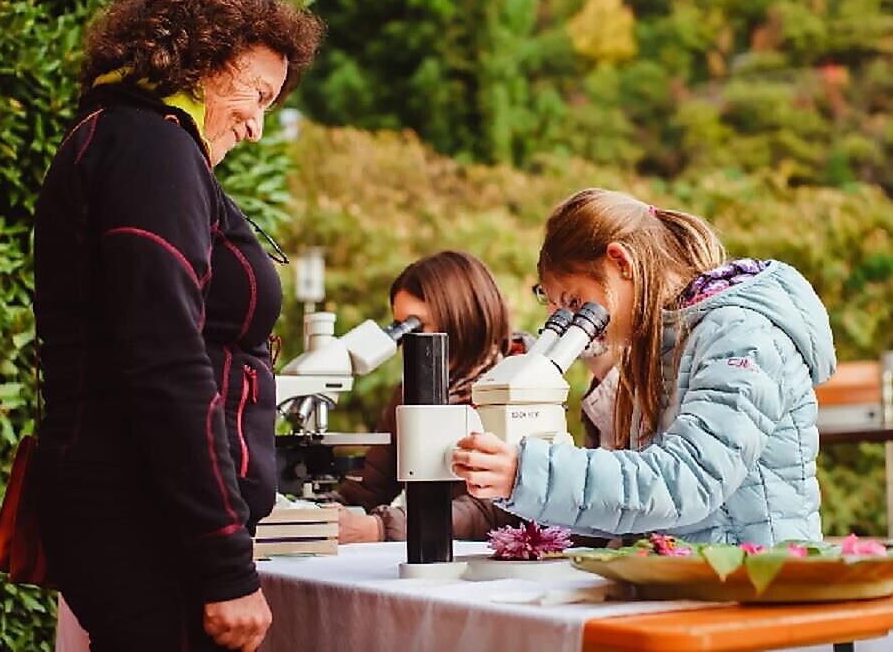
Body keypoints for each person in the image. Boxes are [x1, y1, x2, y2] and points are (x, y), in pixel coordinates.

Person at [33, 0, 322, 650]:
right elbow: (165, 363)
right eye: (257, 95)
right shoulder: (151, 151)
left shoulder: (127, 139)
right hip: (146, 525)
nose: (255, 126)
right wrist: (225, 563)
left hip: (140, 517)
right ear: (206, 58)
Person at [453, 188, 836, 546]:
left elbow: (686, 483)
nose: (577, 323)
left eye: (576, 301)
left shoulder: (743, 335)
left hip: (759, 585)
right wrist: (513, 484)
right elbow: (632, 508)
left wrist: (530, 471)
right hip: (693, 581)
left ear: (621, 262)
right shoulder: (659, 344)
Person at [327, 250, 525, 543]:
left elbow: (492, 510)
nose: (407, 343)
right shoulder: (412, 392)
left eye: (416, 327)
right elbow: (369, 489)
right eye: (400, 328)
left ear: (462, 316)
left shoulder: (518, 386)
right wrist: (312, 512)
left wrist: (382, 528)